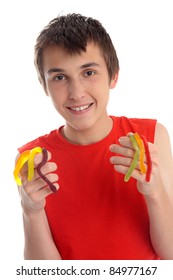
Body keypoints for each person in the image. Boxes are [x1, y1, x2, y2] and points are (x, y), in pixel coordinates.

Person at [16, 13, 173, 260]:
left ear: (113, 75)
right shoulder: (33, 159)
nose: (76, 93)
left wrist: (154, 192)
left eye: (88, 72)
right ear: (44, 86)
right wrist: (31, 210)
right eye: (59, 77)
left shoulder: (152, 136)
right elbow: (43, 273)